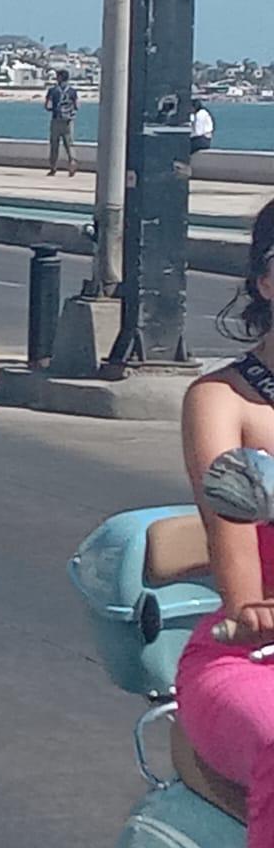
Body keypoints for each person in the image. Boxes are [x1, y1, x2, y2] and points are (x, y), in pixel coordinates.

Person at [175, 200, 274, 848]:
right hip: (252, 657)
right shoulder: (224, 402)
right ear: (267, 279)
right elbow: (243, 589)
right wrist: (256, 609)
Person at [45, 68, 80, 176]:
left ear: (59, 77)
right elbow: (77, 106)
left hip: (56, 119)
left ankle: (53, 167)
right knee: (69, 144)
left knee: (54, 145)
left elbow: (48, 106)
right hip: (68, 121)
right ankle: (72, 163)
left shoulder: (53, 90)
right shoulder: (72, 91)